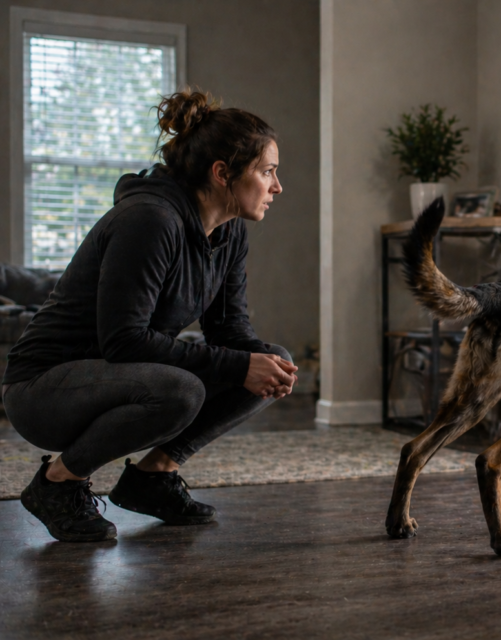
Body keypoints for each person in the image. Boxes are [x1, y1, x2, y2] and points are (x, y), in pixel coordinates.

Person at [1, 88, 298, 542]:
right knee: (182, 390)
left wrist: (263, 363)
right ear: (222, 173)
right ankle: (58, 484)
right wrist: (241, 365)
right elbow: (125, 340)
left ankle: (152, 478)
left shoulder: (229, 231)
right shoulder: (150, 219)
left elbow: (229, 329)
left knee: (270, 357)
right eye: (267, 172)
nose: (277, 186)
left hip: (118, 376)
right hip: (42, 390)